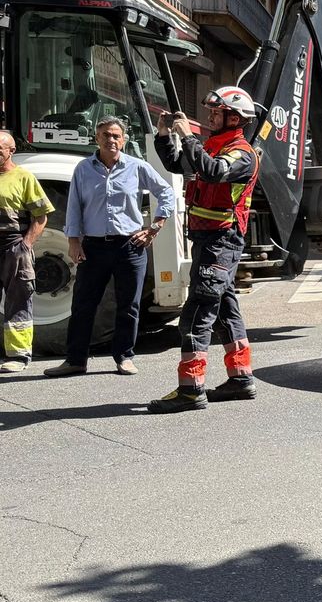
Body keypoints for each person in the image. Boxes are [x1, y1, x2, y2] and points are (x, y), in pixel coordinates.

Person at [147, 87, 262, 414]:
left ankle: (190, 389)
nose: (210, 118)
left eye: (216, 113)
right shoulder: (212, 146)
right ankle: (241, 379)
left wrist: (188, 136)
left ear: (234, 117)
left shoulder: (242, 153)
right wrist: (165, 133)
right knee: (226, 310)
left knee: (197, 312)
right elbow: (177, 163)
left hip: (222, 241)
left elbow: (213, 171)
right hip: (207, 240)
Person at [43, 117, 175, 378]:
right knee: (83, 305)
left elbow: (166, 193)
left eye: (116, 135)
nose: (110, 140)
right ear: (97, 138)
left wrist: (154, 227)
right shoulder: (83, 169)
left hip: (130, 247)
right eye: (105, 135)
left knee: (129, 305)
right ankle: (75, 360)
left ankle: (124, 357)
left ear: (123, 140)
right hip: (93, 248)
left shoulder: (137, 167)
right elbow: (74, 207)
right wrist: (73, 241)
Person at [0, 130, 55, 374]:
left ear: (11, 151)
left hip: (13, 247)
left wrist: (25, 245)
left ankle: (18, 355)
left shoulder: (24, 178)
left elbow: (40, 216)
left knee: (18, 301)